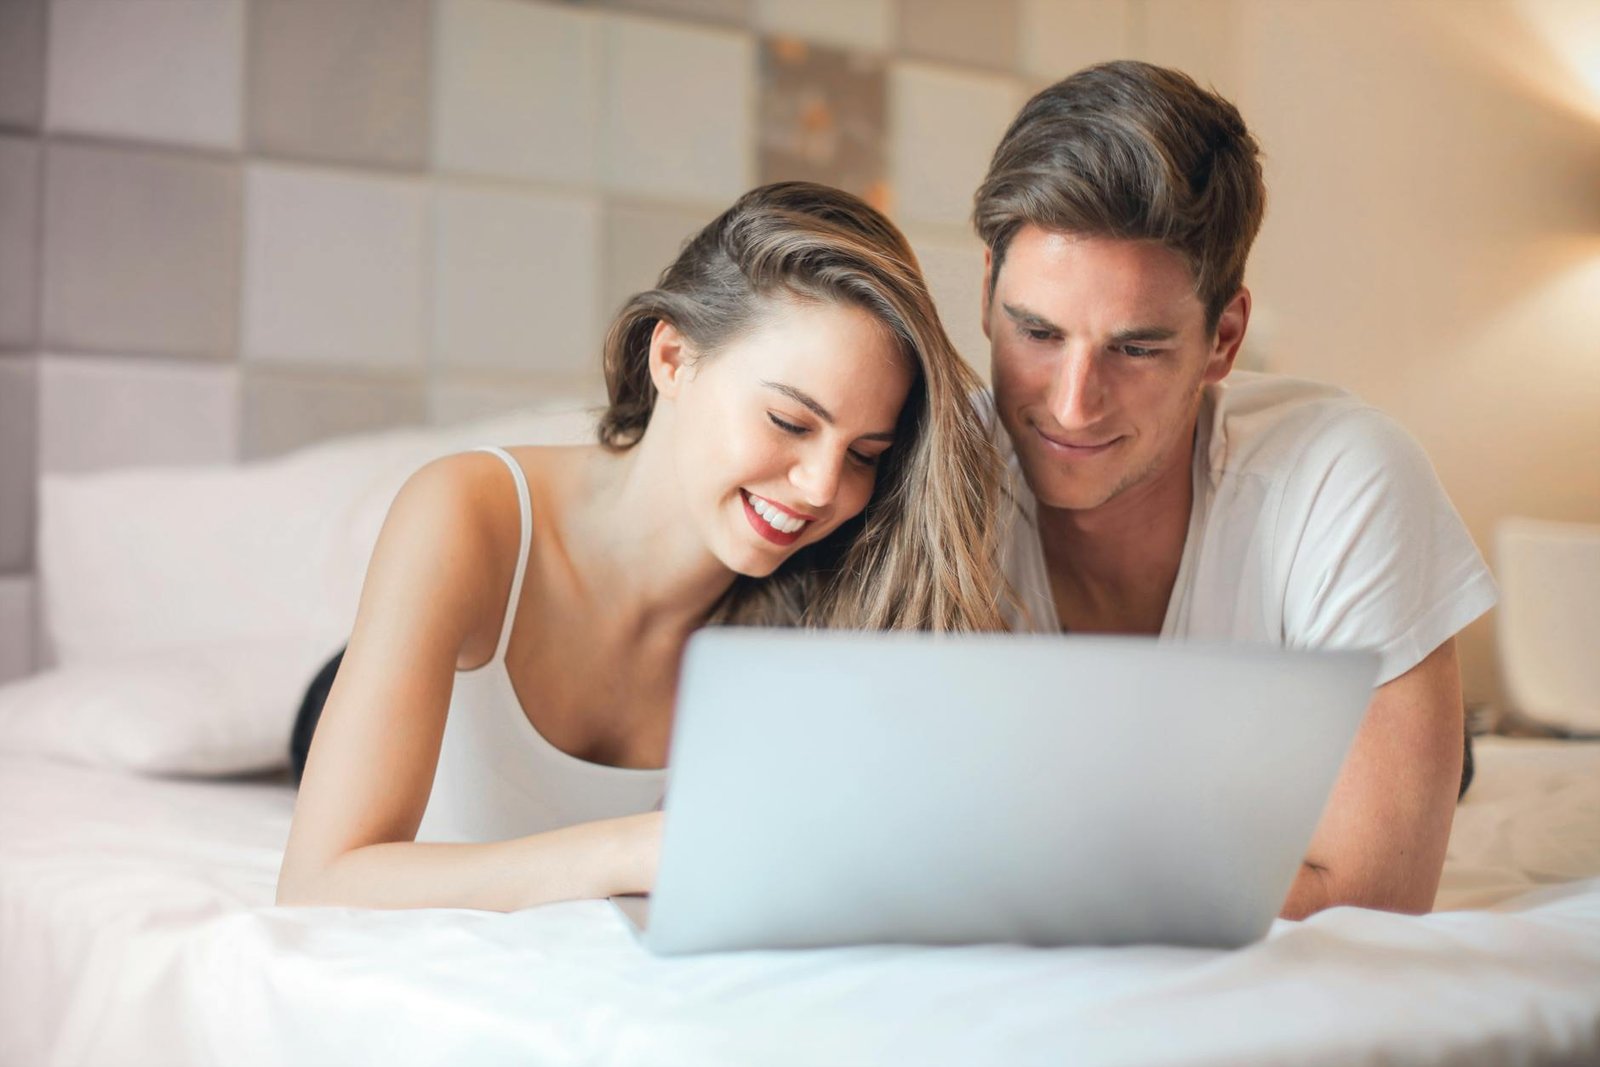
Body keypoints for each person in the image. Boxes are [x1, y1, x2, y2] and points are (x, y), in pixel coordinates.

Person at [276, 182, 1008, 912]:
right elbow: (318, 884)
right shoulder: (463, 514)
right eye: (790, 421)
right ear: (672, 357)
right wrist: (635, 846)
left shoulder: (825, 600)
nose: (821, 488)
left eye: (865, 453)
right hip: (426, 665)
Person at [972, 62, 1497, 920]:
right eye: (1036, 331)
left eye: (1135, 348)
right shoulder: (916, 468)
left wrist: (1003, 862)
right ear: (986, 290)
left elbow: (1375, 896)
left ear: (1224, 338)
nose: (1072, 403)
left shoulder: (1342, 474)